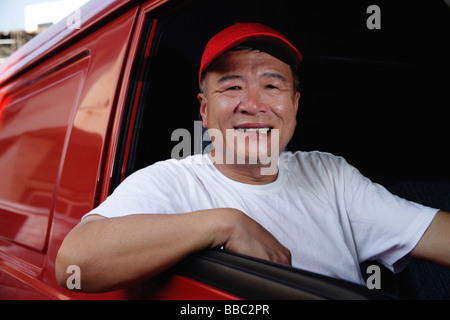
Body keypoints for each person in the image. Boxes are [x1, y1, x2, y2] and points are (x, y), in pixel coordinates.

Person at [55, 23, 450, 293]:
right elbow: (74, 266)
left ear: (294, 105)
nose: (254, 104)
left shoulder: (330, 174)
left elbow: (435, 236)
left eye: (272, 84)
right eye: (231, 86)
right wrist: (224, 223)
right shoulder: (170, 181)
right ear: (204, 111)